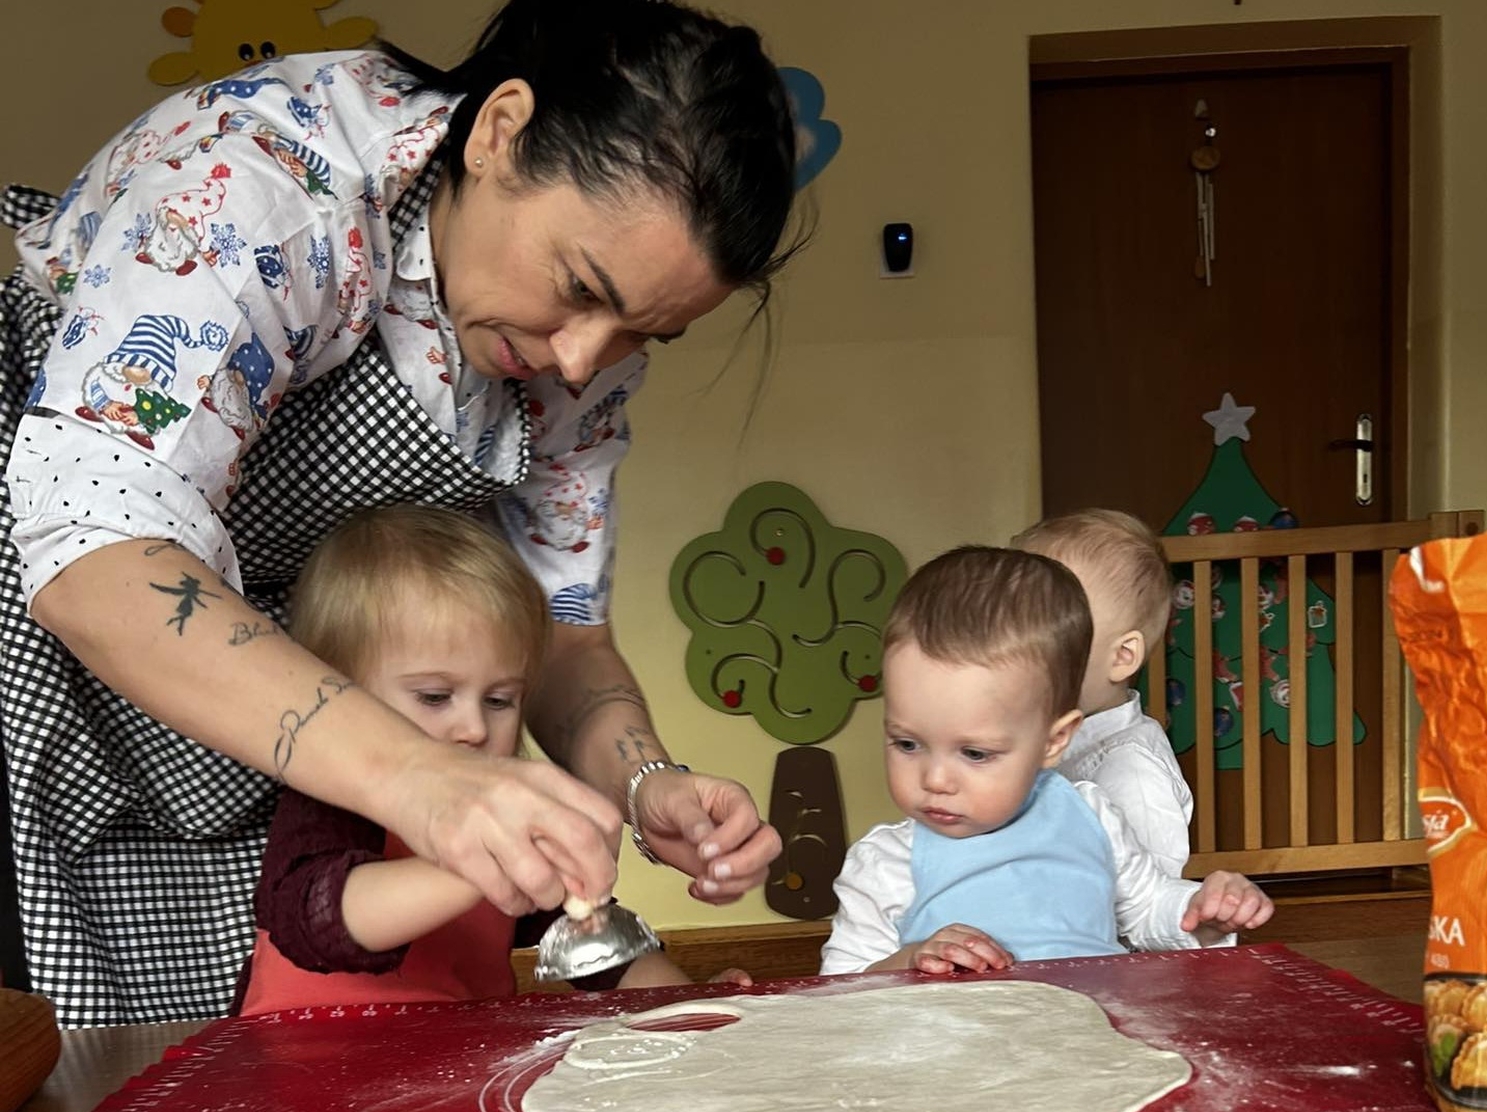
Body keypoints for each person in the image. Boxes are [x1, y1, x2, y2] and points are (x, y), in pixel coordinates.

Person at [0, 0, 796, 1025]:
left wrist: (646, 786)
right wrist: (418, 778)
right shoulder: (263, 194)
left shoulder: (579, 359)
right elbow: (96, 558)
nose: (580, 362)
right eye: (577, 286)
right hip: (53, 636)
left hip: (294, 696)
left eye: (643, 333)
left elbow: (564, 634)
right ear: (501, 129)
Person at [236, 505, 716, 1015]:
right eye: (435, 697)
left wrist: (693, 1008)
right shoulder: (333, 795)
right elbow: (317, 919)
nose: (475, 728)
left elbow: (600, 950)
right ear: (340, 696)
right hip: (306, 1050)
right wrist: (477, 863)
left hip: (455, 1050)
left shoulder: (510, 814)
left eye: (499, 700)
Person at [819, 547, 1273, 977]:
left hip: (1097, 1022)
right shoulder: (885, 863)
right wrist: (908, 961)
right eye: (907, 744)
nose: (935, 779)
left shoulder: (1090, 814)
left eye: (975, 753)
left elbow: (1147, 908)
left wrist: (1203, 913)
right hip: (963, 1035)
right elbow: (840, 991)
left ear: (1054, 741)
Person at [1013, 509, 1192, 878]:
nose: (1015, 642)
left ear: (1121, 656)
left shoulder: (1132, 774)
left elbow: (1150, 893)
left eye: (1046, 625)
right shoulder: (1044, 733)